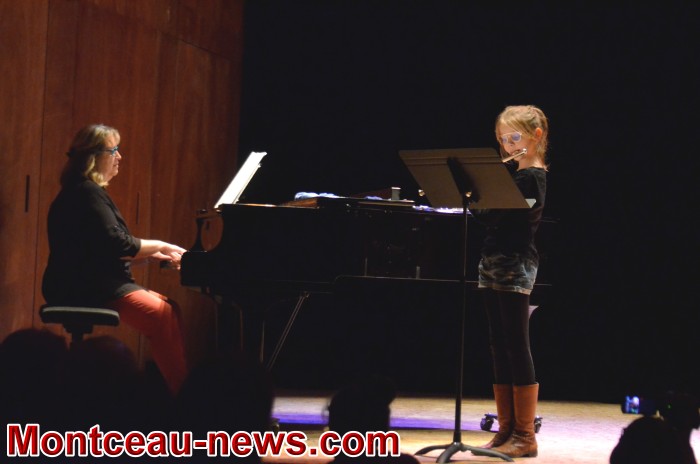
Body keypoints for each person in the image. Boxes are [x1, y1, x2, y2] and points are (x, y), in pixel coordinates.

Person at [42, 124, 188, 394]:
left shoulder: (87, 191)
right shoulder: (86, 191)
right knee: (161, 315)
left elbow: (95, 250)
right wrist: (161, 245)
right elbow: (117, 243)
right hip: (80, 286)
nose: (119, 156)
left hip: (90, 280)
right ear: (93, 157)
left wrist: (148, 256)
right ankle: (183, 397)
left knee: (171, 309)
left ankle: (179, 389)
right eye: (114, 150)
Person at [472, 105, 549, 458]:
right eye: (503, 139)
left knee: (516, 345)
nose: (508, 145)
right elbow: (489, 214)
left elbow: (494, 214)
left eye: (514, 137)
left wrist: (480, 195)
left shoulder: (531, 178)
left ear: (536, 136)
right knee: (497, 344)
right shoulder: (513, 177)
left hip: (515, 264)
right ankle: (505, 429)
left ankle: (524, 434)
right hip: (492, 261)